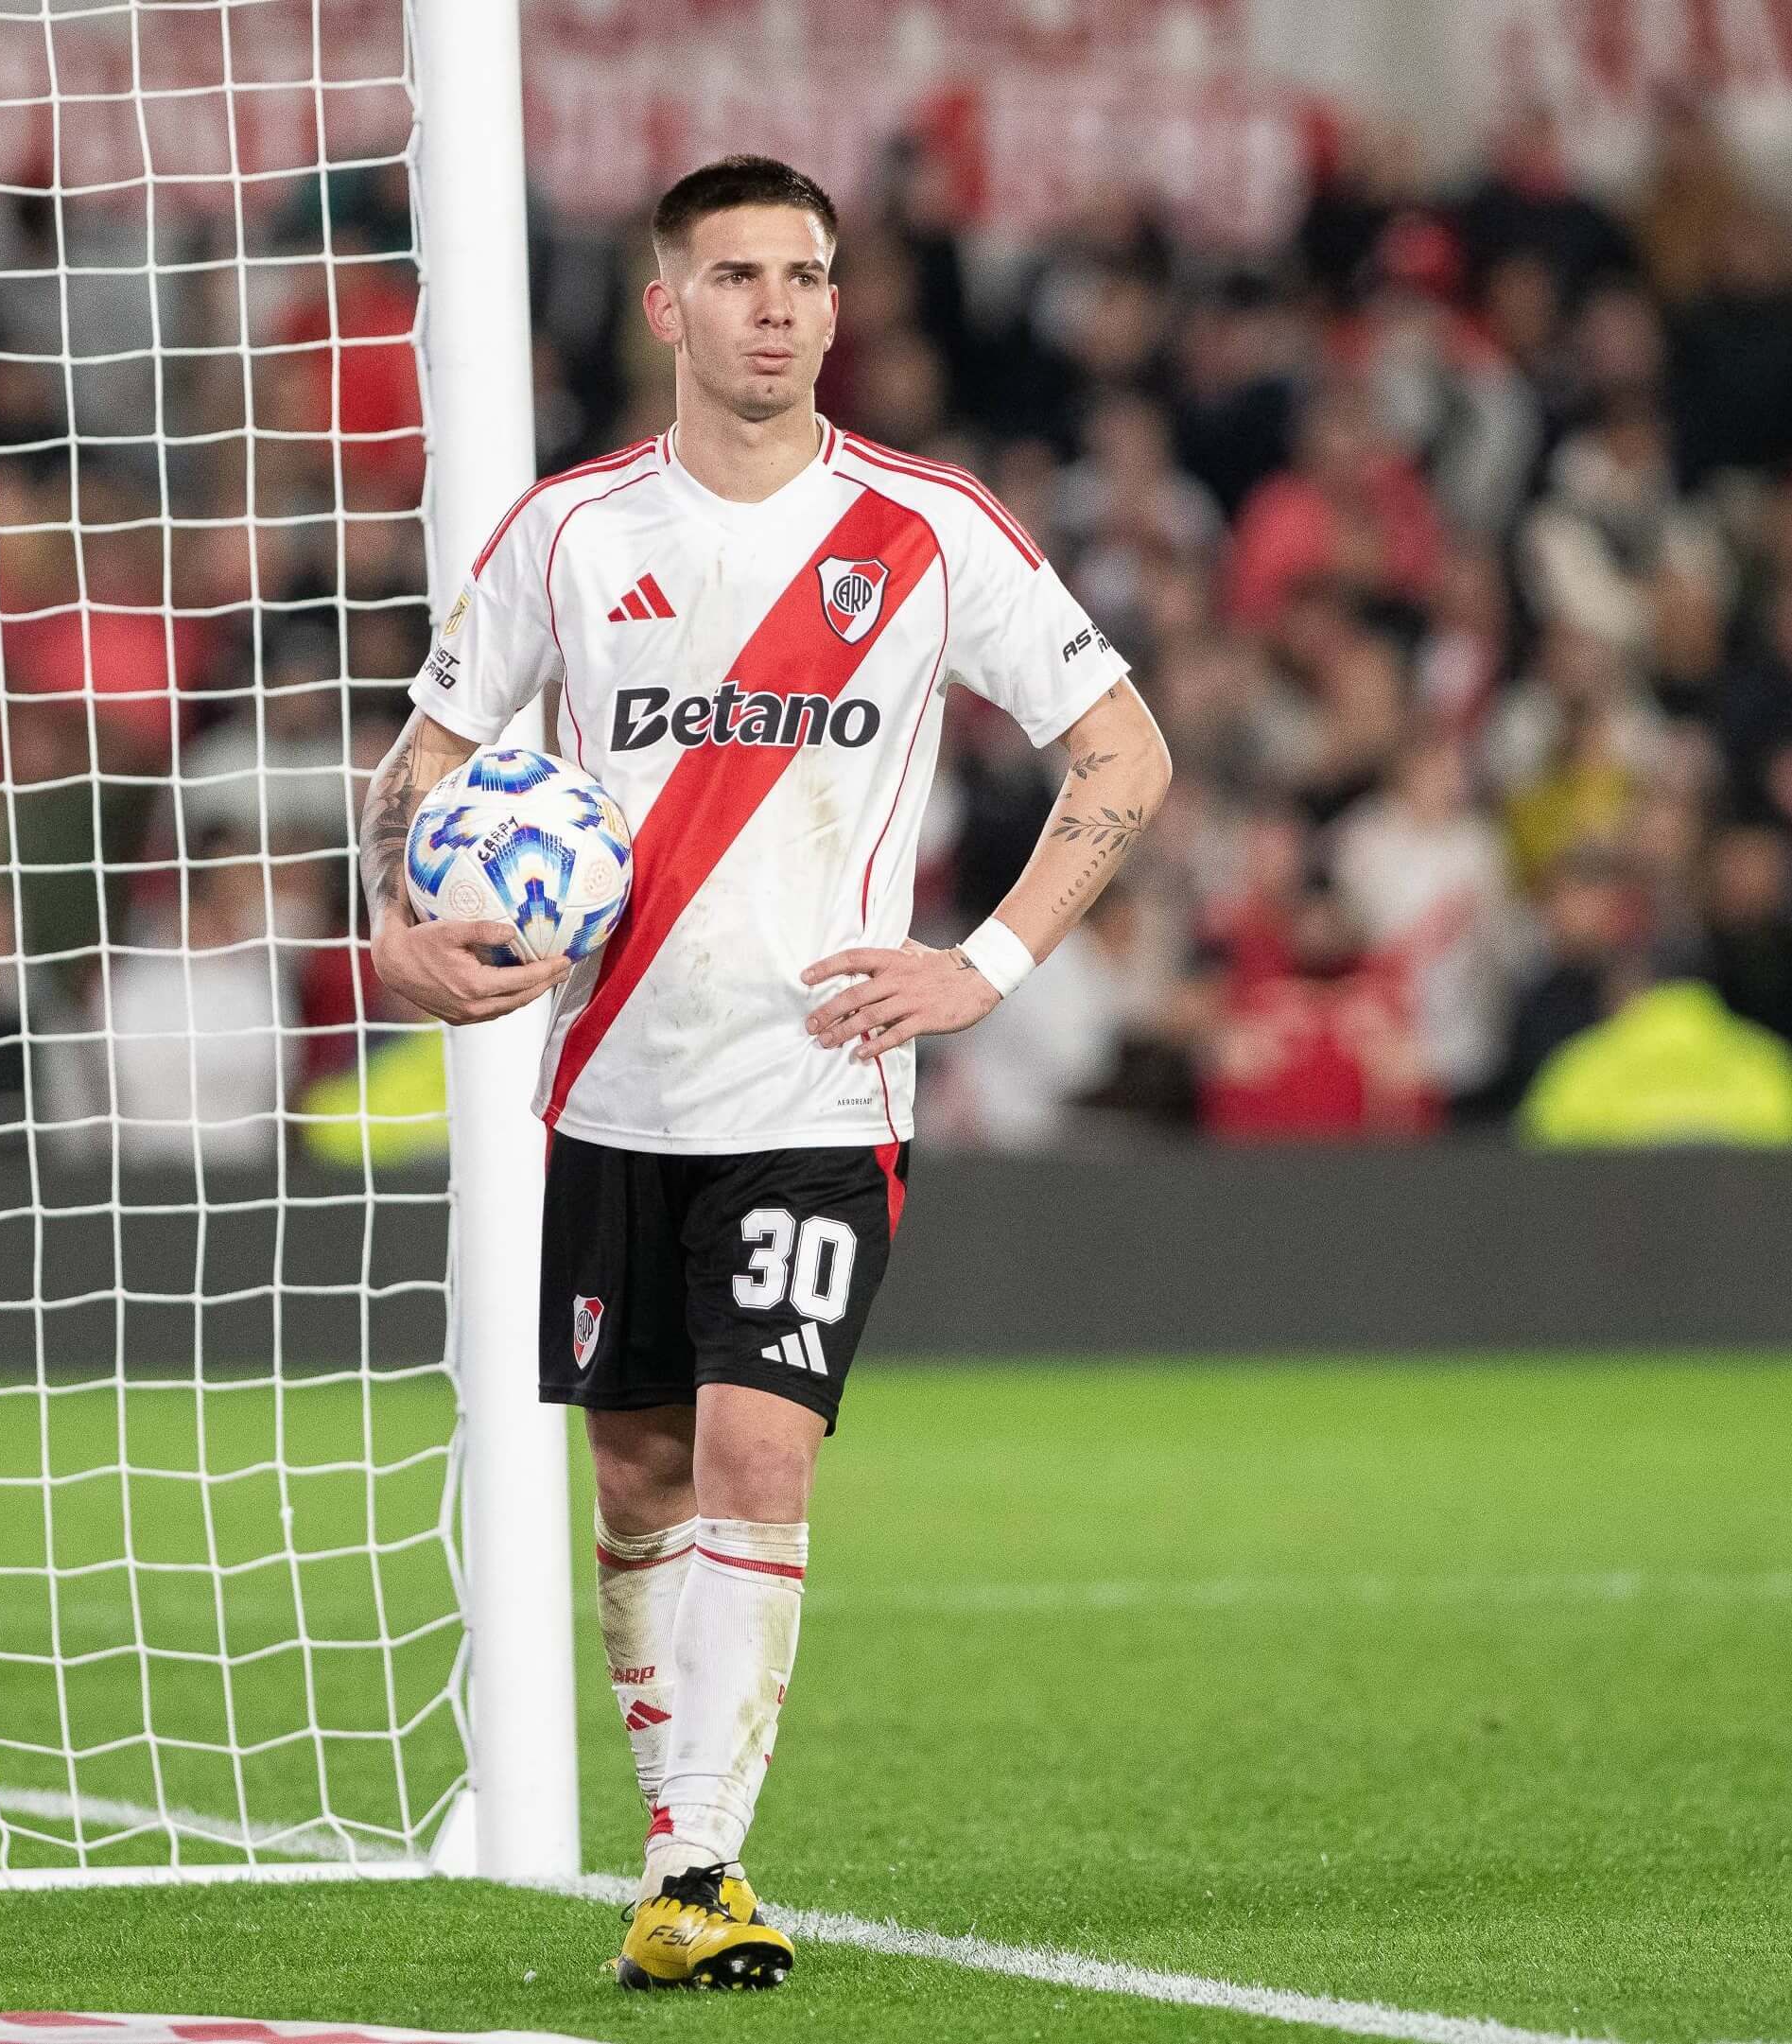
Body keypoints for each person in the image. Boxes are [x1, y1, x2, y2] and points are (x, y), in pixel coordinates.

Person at [356, 156, 1169, 1993]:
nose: (778, 307)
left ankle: (703, 1864)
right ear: (668, 306)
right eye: (736, 276)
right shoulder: (568, 533)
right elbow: (422, 762)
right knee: (641, 1476)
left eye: (805, 275)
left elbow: (1123, 751)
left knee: (753, 1447)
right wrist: (396, 930)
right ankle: (676, 1850)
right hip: (609, 1087)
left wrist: (984, 966)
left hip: (818, 1089)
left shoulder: (927, 528)